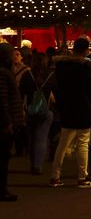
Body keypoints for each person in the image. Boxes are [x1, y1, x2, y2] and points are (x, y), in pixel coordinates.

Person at [48, 37, 91, 188]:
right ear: (86, 50)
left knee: (63, 143)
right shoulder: (84, 67)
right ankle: (82, 177)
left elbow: (56, 86)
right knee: (83, 143)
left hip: (66, 107)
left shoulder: (61, 66)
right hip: (83, 108)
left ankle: (55, 176)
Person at [25, 51, 52, 176]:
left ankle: (32, 164)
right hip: (46, 109)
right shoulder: (50, 75)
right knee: (42, 137)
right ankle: (38, 165)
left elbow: (21, 92)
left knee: (32, 137)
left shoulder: (28, 74)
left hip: (31, 109)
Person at [0, 43, 21, 201]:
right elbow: (2, 100)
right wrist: (7, 122)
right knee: (3, 157)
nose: (16, 57)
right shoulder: (3, 73)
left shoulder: (6, 72)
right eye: (13, 54)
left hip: (7, 121)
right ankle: (2, 189)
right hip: (4, 123)